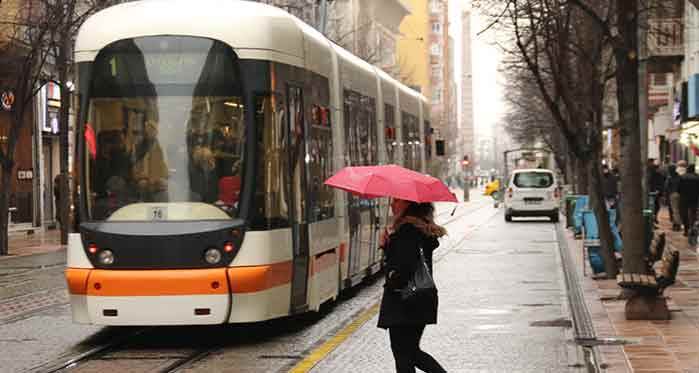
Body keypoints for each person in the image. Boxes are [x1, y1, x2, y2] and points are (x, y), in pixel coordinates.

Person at [377, 198, 448, 373]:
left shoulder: (407, 231)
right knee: (409, 353)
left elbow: (403, 267)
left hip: (405, 301)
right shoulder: (419, 228)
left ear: (409, 204)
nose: (392, 204)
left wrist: (388, 248)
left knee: (405, 354)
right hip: (419, 300)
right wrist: (389, 244)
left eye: (396, 201)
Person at [678, 164, 699, 237]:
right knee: (693, 213)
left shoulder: (682, 177)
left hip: (684, 198)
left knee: (684, 213)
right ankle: (692, 227)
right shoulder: (697, 177)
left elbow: (678, 188)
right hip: (694, 198)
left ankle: (686, 229)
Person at [647, 159, 665, 223]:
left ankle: (651, 220)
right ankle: (651, 220)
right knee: (652, 207)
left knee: (652, 207)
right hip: (653, 193)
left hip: (653, 193)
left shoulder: (655, 174)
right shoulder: (656, 174)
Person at [665, 164, 682, 231]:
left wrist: (666, 196)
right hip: (679, 194)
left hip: (673, 194)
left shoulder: (669, 178)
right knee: (677, 210)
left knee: (675, 210)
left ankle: (677, 225)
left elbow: (666, 187)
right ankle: (675, 224)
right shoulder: (679, 177)